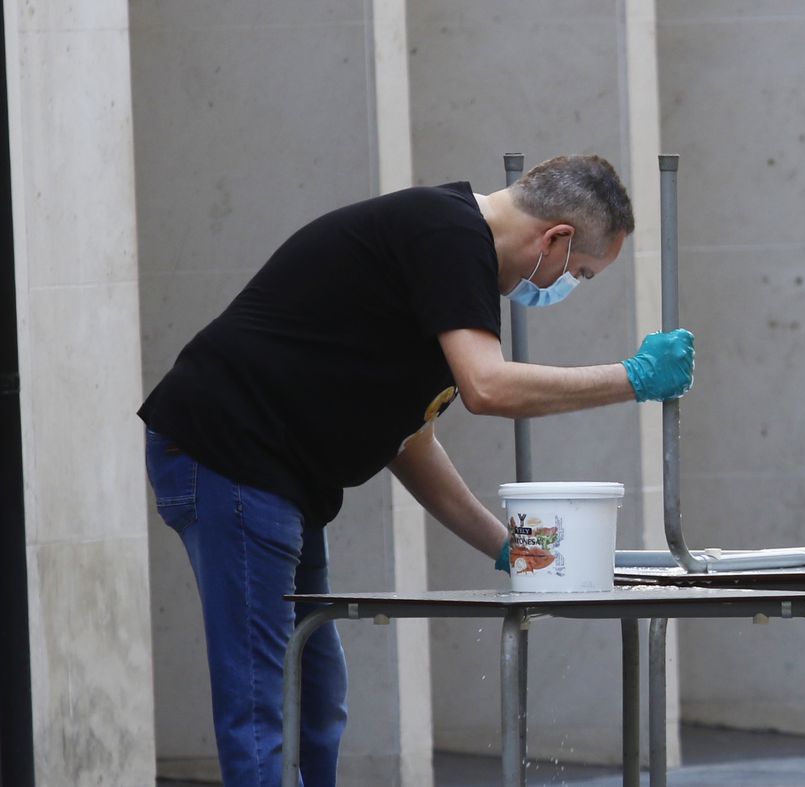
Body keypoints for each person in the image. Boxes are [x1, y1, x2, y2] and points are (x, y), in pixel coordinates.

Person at [138, 154, 693, 786]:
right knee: (263, 699)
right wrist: (633, 378)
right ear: (556, 239)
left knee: (317, 695)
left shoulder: (451, 255)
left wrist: (507, 548)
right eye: (582, 273)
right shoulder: (447, 235)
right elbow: (488, 388)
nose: (569, 286)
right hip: (229, 453)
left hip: (279, 474)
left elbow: (408, 441)